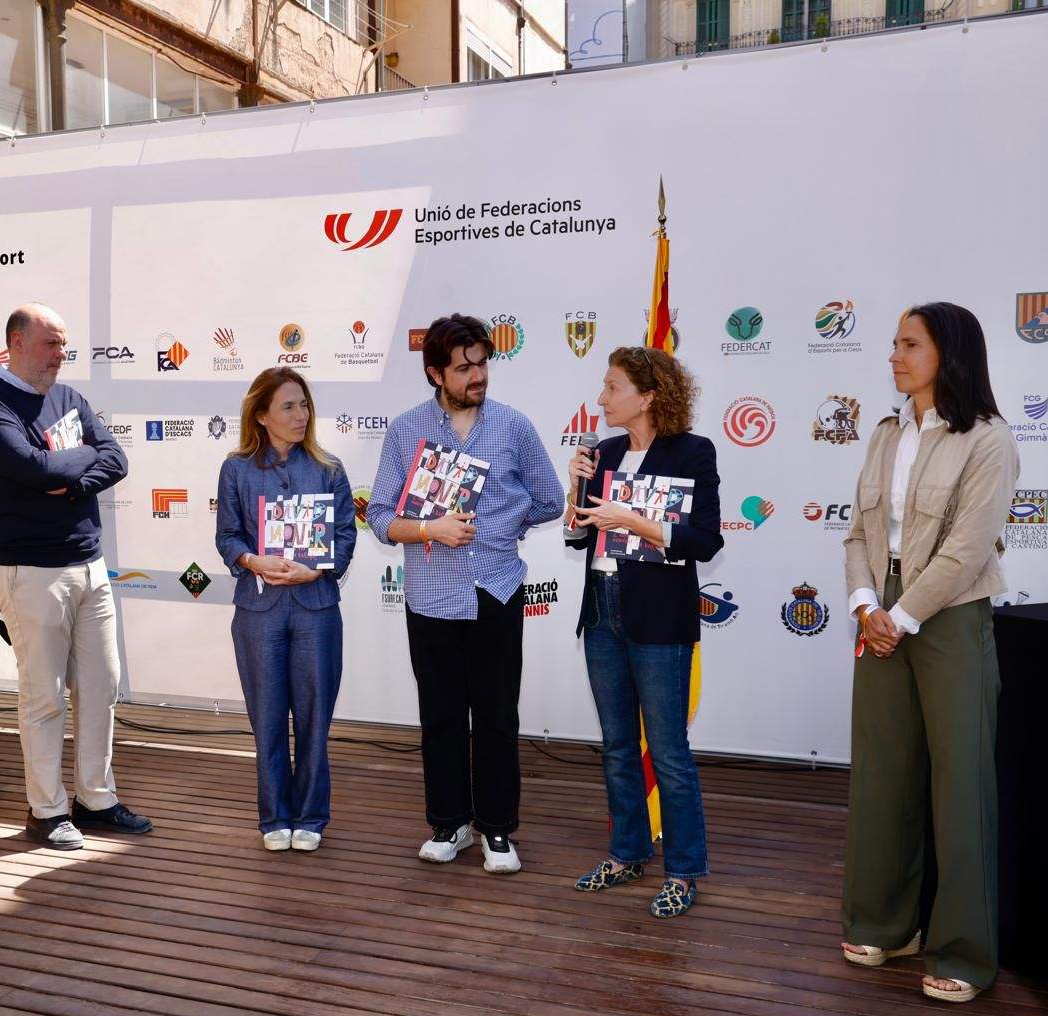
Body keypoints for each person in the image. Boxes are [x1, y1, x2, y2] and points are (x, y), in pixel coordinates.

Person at [840, 302, 1018, 1003]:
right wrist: (865, 607)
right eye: (893, 344)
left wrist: (902, 615)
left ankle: (964, 953)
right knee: (882, 776)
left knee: (960, 787)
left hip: (947, 616)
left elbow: (969, 548)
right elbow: (857, 531)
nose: (894, 355)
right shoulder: (886, 433)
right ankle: (885, 925)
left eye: (909, 344)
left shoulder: (989, 440)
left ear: (951, 352)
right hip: (880, 609)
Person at [367, 313, 566, 874]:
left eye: (482, 363)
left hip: (496, 589)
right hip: (431, 596)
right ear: (435, 373)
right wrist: (430, 529)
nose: (477, 375)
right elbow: (381, 517)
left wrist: (504, 523)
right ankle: (449, 824)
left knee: (498, 716)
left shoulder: (514, 426)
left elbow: (550, 497)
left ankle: (497, 830)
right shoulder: (406, 430)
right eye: (463, 367)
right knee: (441, 716)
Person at [0, 302, 152, 850]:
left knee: (100, 687)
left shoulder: (69, 398)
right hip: (29, 570)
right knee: (44, 697)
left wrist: (66, 482)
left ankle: (95, 799)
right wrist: (70, 465)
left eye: (64, 344)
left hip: (89, 564)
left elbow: (114, 458)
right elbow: (30, 468)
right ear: (16, 343)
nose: (61, 355)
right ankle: (45, 811)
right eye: (51, 344)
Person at [564, 346, 724, 918]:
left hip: (659, 613)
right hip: (603, 609)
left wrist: (631, 520)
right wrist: (575, 500)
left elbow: (707, 540)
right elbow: (579, 538)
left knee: (669, 750)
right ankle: (627, 852)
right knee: (615, 746)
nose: (602, 397)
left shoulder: (692, 451)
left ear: (649, 395)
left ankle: (683, 870)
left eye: (612, 387)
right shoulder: (603, 452)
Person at [215, 369, 356, 852]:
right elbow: (227, 537)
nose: (302, 415)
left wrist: (316, 570)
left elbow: (345, 537)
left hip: (316, 607)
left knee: (315, 719)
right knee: (268, 717)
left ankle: (312, 817)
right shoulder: (236, 468)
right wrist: (253, 559)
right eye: (289, 407)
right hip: (259, 609)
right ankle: (274, 816)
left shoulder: (329, 467)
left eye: (305, 405)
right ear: (261, 415)